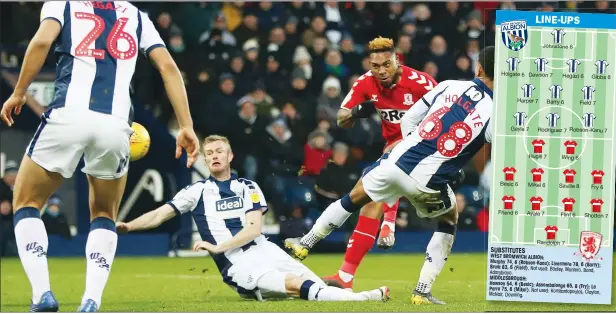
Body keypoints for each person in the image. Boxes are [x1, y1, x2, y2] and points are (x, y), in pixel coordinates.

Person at [0, 2, 200, 312]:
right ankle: (91, 300)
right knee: (105, 213)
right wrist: (186, 125)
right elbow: (168, 67)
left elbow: (41, 41)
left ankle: (42, 295)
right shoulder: (135, 15)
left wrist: (19, 92)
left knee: (26, 202)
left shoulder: (62, 4)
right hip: (116, 125)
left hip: (68, 116)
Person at [286, 46, 496, 305]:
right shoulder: (496, 112)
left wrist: (410, 146)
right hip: (428, 179)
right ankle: (421, 291)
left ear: (479, 68)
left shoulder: (449, 85)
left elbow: (409, 120)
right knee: (449, 221)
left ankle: (305, 242)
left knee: (354, 197)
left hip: (396, 160)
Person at [116, 135, 390, 303]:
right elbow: (161, 213)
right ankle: (365, 298)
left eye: (219, 151)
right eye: (209, 153)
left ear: (230, 156)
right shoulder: (196, 191)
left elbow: (253, 228)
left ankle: (351, 295)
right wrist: (129, 225)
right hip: (238, 264)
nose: (213, 156)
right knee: (297, 286)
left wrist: (215, 246)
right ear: (204, 159)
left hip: (264, 249)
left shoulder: (247, 187)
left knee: (314, 285)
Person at [304, 36, 438, 290]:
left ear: (396, 59)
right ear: (369, 64)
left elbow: (447, 112)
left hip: (427, 147)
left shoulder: (421, 83)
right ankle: (345, 275)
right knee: (368, 201)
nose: (382, 71)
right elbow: (341, 118)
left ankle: (388, 223)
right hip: (394, 150)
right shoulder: (366, 83)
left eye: (387, 64)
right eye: (376, 66)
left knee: (379, 173)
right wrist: (356, 112)